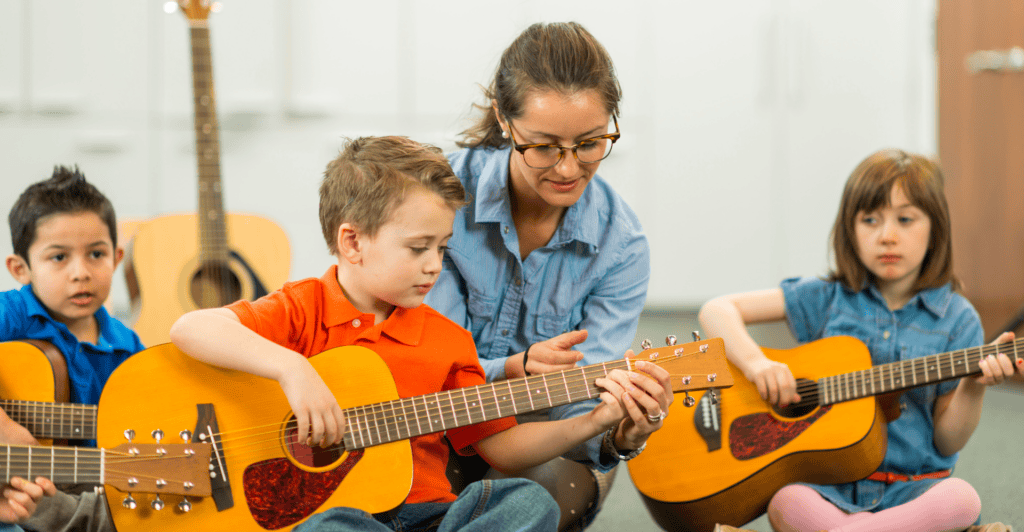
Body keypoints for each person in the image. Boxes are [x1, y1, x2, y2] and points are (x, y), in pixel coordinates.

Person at [169, 136, 672, 532]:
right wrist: (291, 368)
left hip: (431, 517)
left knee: (525, 503)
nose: (435, 266)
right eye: (418, 248)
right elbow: (191, 327)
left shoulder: (448, 340)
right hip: (341, 517)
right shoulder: (302, 308)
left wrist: (597, 421)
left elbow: (502, 449)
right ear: (352, 241)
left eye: (443, 247)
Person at [699, 149, 1023, 532]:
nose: (887, 236)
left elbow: (948, 442)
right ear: (849, 231)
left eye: (906, 220)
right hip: (832, 490)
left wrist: (973, 386)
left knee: (961, 499)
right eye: (870, 220)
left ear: (935, 228)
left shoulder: (958, 318)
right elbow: (717, 310)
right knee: (787, 501)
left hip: (916, 492)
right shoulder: (825, 298)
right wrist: (757, 364)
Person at [423, 21, 654, 529]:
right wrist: (513, 367)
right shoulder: (433, 198)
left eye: (591, 143)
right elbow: (429, 370)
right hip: (433, 421)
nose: (569, 169)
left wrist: (620, 431)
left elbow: (585, 410)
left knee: (534, 497)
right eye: (545, 146)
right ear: (506, 121)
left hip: (548, 439)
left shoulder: (622, 246)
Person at [2, 166, 144, 532]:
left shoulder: (129, 349)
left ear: (117, 257)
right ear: (21, 268)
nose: (80, 272)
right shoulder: (15, 314)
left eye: (96, 254)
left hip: (81, 489)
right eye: (59, 257)